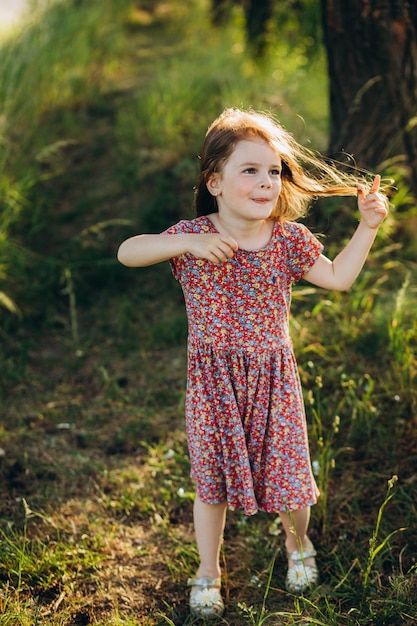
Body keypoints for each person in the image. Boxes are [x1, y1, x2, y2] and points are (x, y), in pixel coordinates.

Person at [117, 108, 388, 620]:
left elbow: (339, 278)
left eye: (274, 171)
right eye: (250, 171)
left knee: (288, 474)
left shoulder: (286, 240)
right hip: (213, 384)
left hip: (273, 380)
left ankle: (299, 545)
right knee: (211, 482)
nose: (266, 182)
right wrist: (188, 242)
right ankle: (208, 572)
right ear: (215, 181)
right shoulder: (193, 237)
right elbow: (128, 252)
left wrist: (368, 227)